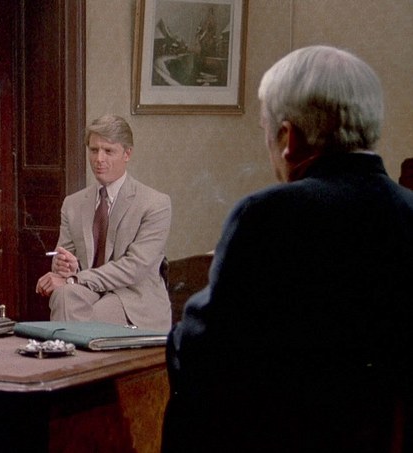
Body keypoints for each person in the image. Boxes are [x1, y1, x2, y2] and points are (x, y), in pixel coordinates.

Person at [162, 46, 413, 452]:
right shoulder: (408, 211)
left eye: (267, 129)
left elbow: (206, 356)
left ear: (288, 137)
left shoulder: (268, 215)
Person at [35, 114, 172, 332]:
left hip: (132, 296)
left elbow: (133, 268)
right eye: (94, 150)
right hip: (89, 288)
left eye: (108, 151)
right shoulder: (73, 203)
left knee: (90, 313)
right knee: (63, 296)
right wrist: (65, 267)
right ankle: (68, 352)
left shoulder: (155, 204)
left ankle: (67, 352)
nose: (99, 159)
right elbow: (64, 259)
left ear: (127, 154)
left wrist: (75, 279)